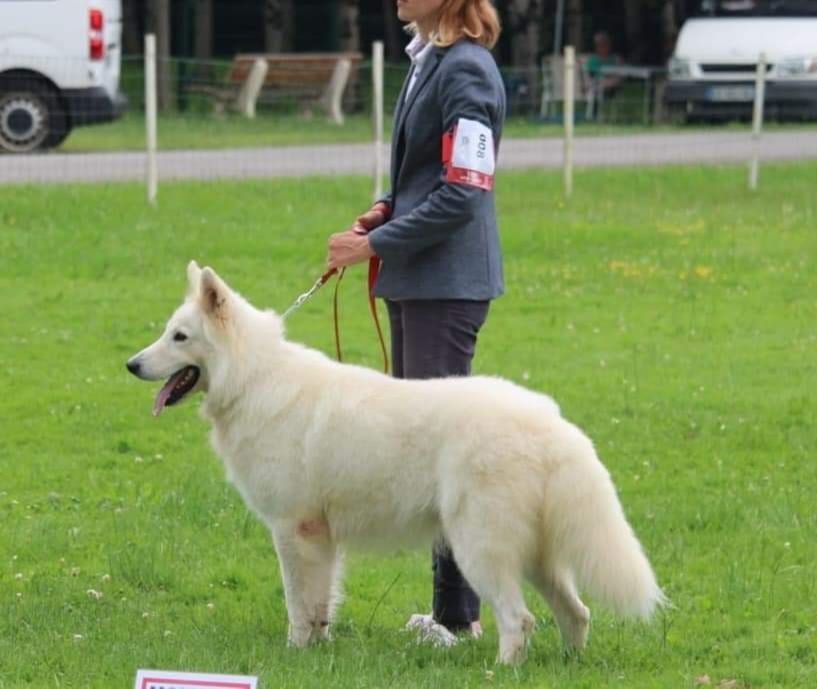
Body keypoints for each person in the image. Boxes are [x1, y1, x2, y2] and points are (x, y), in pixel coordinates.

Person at [325, 0, 505, 645]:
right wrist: (383, 208)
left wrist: (371, 247)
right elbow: (427, 174)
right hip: (419, 279)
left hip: (446, 283)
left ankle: (461, 620)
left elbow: (464, 190)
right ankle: (451, 611)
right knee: (426, 449)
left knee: (444, 455)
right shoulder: (428, 60)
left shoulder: (467, 70)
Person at [585, 30, 623, 118]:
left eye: (606, 44)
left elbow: (620, 72)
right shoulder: (593, 60)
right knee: (607, 83)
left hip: (612, 87)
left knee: (616, 80)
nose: (604, 47)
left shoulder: (614, 59)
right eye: (601, 45)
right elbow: (590, 76)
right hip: (597, 87)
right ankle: (595, 114)